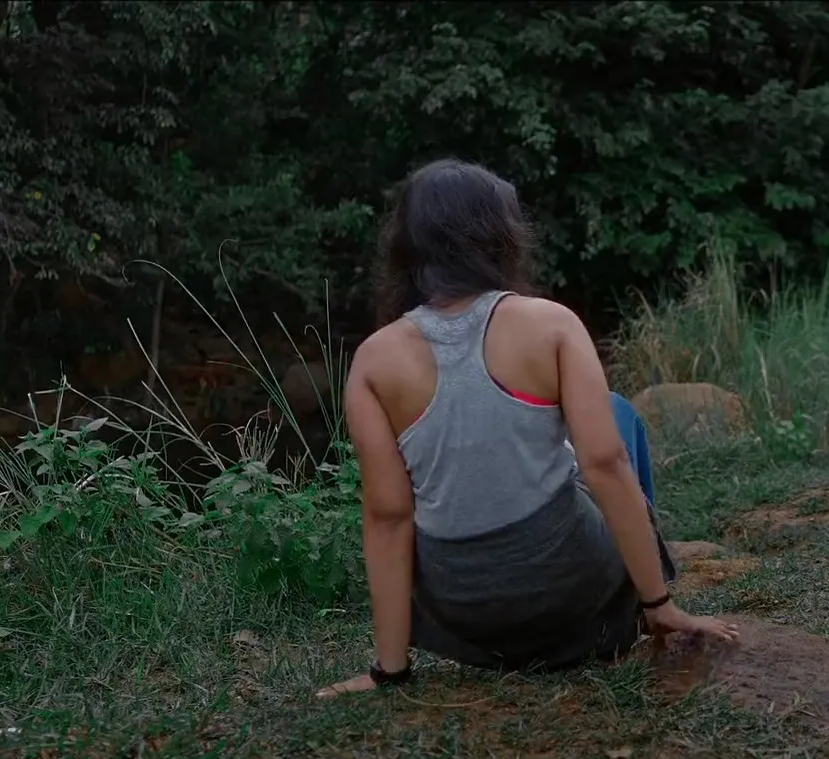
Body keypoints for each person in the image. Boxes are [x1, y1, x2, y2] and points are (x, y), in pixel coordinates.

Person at [316, 158, 739, 699]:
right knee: (617, 416)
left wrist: (389, 671)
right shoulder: (550, 323)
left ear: (407, 248)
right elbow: (604, 463)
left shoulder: (373, 362)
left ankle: (416, 660)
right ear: (499, 235)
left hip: (465, 613)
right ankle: (644, 599)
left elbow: (388, 516)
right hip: (572, 584)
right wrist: (662, 607)